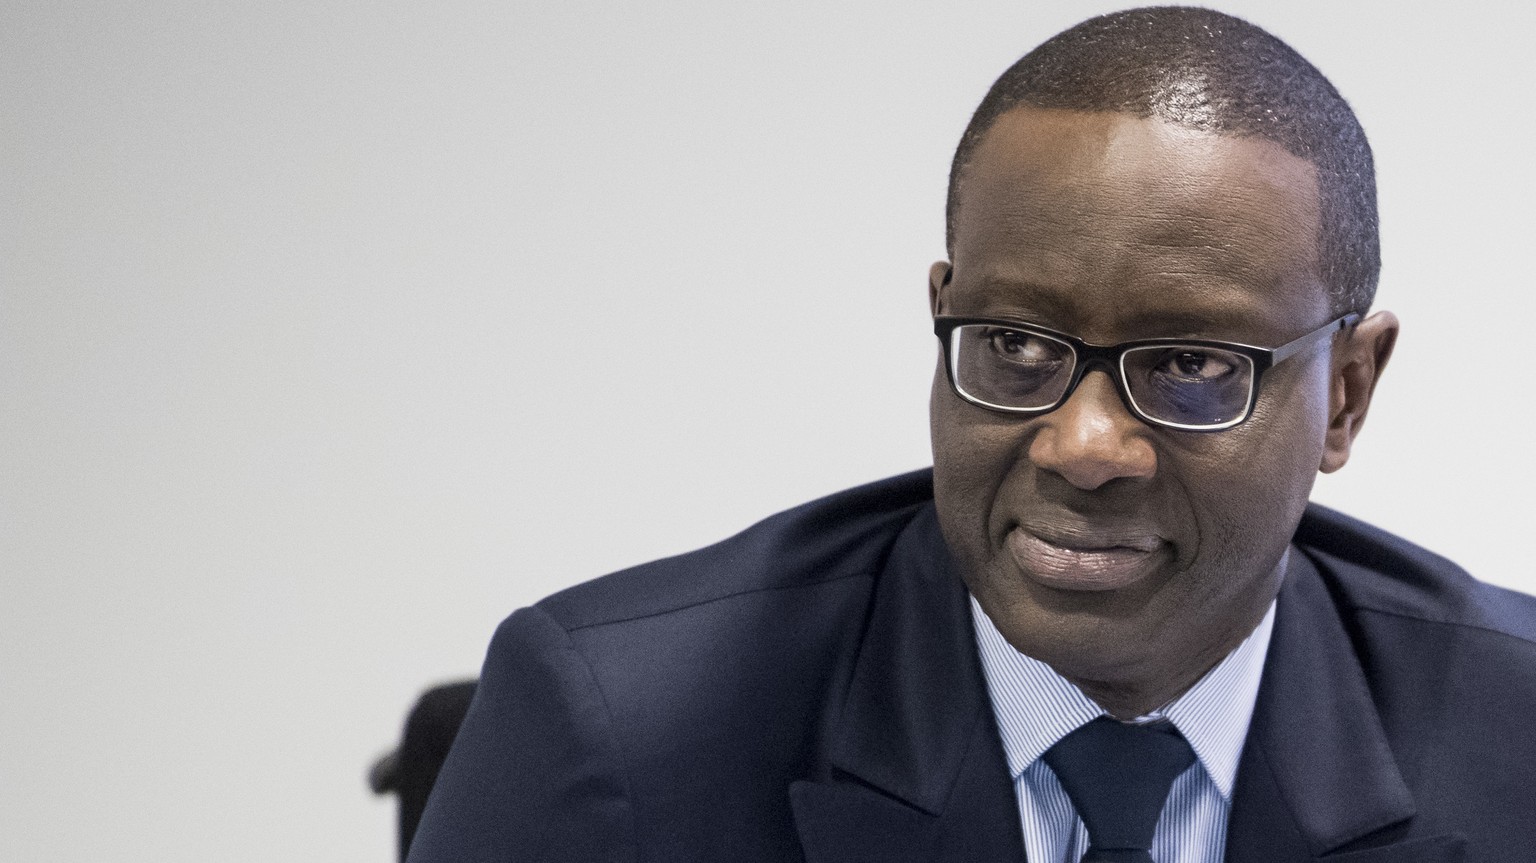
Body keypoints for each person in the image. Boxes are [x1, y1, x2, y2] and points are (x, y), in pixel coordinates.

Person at [407, 7, 1536, 862]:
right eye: (1018, 346)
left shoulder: (1516, 739)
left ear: (1345, 391)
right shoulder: (623, 737)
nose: (1081, 443)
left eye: (1192, 365)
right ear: (944, 310)